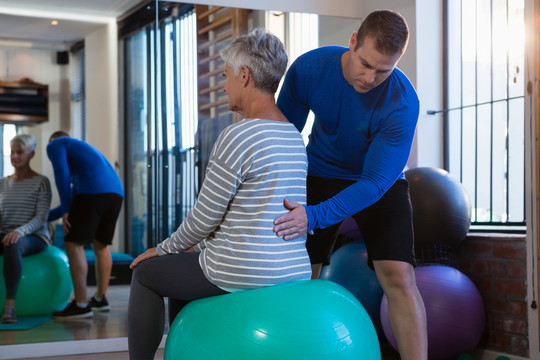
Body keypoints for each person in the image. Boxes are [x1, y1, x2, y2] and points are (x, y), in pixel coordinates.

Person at [127, 28, 311, 359]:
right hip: (291, 268)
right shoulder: (294, 137)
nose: (224, 86)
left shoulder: (238, 135)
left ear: (245, 75)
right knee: (186, 265)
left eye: (226, 76)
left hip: (243, 270)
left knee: (145, 275)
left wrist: (163, 248)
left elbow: (203, 218)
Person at [272, 9, 428, 360]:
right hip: (321, 172)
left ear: (397, 62)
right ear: (353, 41)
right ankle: (298, 351)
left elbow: (374, 183)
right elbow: (284, 136)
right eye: (366, 64)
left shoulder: (403, 102)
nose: (370, 77)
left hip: (379, 182)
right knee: (302, 274)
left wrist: (314, 217)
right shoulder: (310, 69)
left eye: (383, 70)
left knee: (399, 277)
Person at [47, 131, 124, 319]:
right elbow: (74, 199)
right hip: (116, 193)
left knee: (73, 243)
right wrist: (45, 217)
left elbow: (61, 174)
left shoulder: (56, 144)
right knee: (100, 245)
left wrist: (66, 210)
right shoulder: (86, 161)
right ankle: (99, 299)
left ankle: (81, 304)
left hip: (94, 192)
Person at [0, 134, 52, 323]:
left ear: (31, 154)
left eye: (20, 152)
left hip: (34, 236)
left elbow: (41, 218)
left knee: (13, 244)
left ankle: (10, 306)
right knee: (10, 240)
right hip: (6, 233)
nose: (15, 156)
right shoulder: (2, 183)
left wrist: (19, 232)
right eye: (12, 152)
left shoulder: (41, 182)